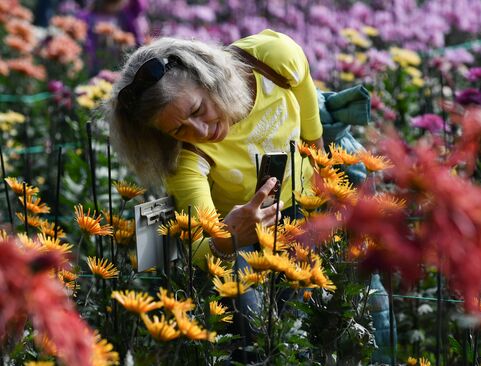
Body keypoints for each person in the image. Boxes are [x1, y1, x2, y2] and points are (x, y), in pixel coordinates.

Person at [107, 29, 323, 359]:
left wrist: (327, 182)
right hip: (240, 237)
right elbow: (199, 245)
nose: (202, 132)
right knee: (254, 327)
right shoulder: (185, 159)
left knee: (311, 323)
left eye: (197, 110)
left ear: (211, 78)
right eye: (179, 129)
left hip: (305, 208)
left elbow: (312, 129)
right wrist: (228, 237)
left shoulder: (273, 59)